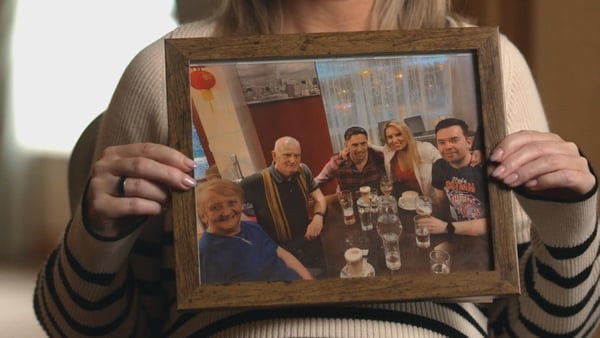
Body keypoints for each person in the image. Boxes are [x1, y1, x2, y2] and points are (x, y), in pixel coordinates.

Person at [33, 1, 599, 337]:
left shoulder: (489, 62)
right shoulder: (160, 71)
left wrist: (572, 223)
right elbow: (85, 330)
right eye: (286, 158)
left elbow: (545, 330)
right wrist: (95, 238)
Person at [196, 178, 313, 284]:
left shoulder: (252, 228)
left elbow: (283, 255)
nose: (226, 212)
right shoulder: (206, 253)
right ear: (203, 216)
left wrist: (309, 281)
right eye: (215, 207)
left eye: (232, 203)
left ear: (242, 205)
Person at [240, 136, 327, 274]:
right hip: (279, 250)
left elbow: (320, 198)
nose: (293, 160)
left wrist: (318, 217)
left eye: (296, 155)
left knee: (323, 276)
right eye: (287, 155)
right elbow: (229, 202)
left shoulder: (303, 170)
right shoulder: (257, 181)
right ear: (274, 155)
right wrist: (252, 230)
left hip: (308, 239)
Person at [417, 118, 487, 236]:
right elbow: (441, 202)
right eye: (441, 142)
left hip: (484, 238)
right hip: (456, 231)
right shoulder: (439, 166)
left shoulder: (482, 168)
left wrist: (447, 227)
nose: (448, 146)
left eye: (454, 140)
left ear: (468, 142)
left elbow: (495, 222)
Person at [373, 120, 441, 197]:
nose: (394, 140)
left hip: (428, 201)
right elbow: (379, 148)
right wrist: (367, 145)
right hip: (405, 200)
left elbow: (446, 166)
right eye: (390, 137)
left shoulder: (425, 149)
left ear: (407, 134)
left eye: (398, 134)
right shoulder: (389, 150)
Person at [315, 126, 385, 192]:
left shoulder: (377, 156)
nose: (360, 149)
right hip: (350, 203)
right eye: (355, 145)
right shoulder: (338, 162)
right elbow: (317, 182)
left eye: (363, 143)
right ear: (346, 145)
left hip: (375, 202)